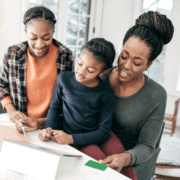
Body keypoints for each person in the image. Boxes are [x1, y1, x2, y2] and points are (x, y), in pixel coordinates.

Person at [84, 11, 174, 180]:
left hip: (130, 163)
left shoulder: (156, 95)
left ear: (149, 64)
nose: (126, 66)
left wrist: (124, 158)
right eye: (123, 56)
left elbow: (147, 146)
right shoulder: (99, 77)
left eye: (137, 62)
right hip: (92, 153)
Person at [0, 6, 73, 132]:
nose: (39, 45)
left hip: (50, 126)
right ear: (26, 32)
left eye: (46, 38)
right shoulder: (12, 54)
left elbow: (69, 99)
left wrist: (39, 123)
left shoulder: (65, 56)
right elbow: (2, 86)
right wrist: (12, 111)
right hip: (18, 124)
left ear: (53, 33)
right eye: (33, 38)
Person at [38, 38, 116, 153]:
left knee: (100, 167)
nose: (81, 71)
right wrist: (48, 129)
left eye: (90, 70)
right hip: (62, 135)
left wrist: (71, 139)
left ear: (102, 72)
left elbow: (103, 133)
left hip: (88, 141)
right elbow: (55, 108)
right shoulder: (63, 79)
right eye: (80, 63)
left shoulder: (106, 94)